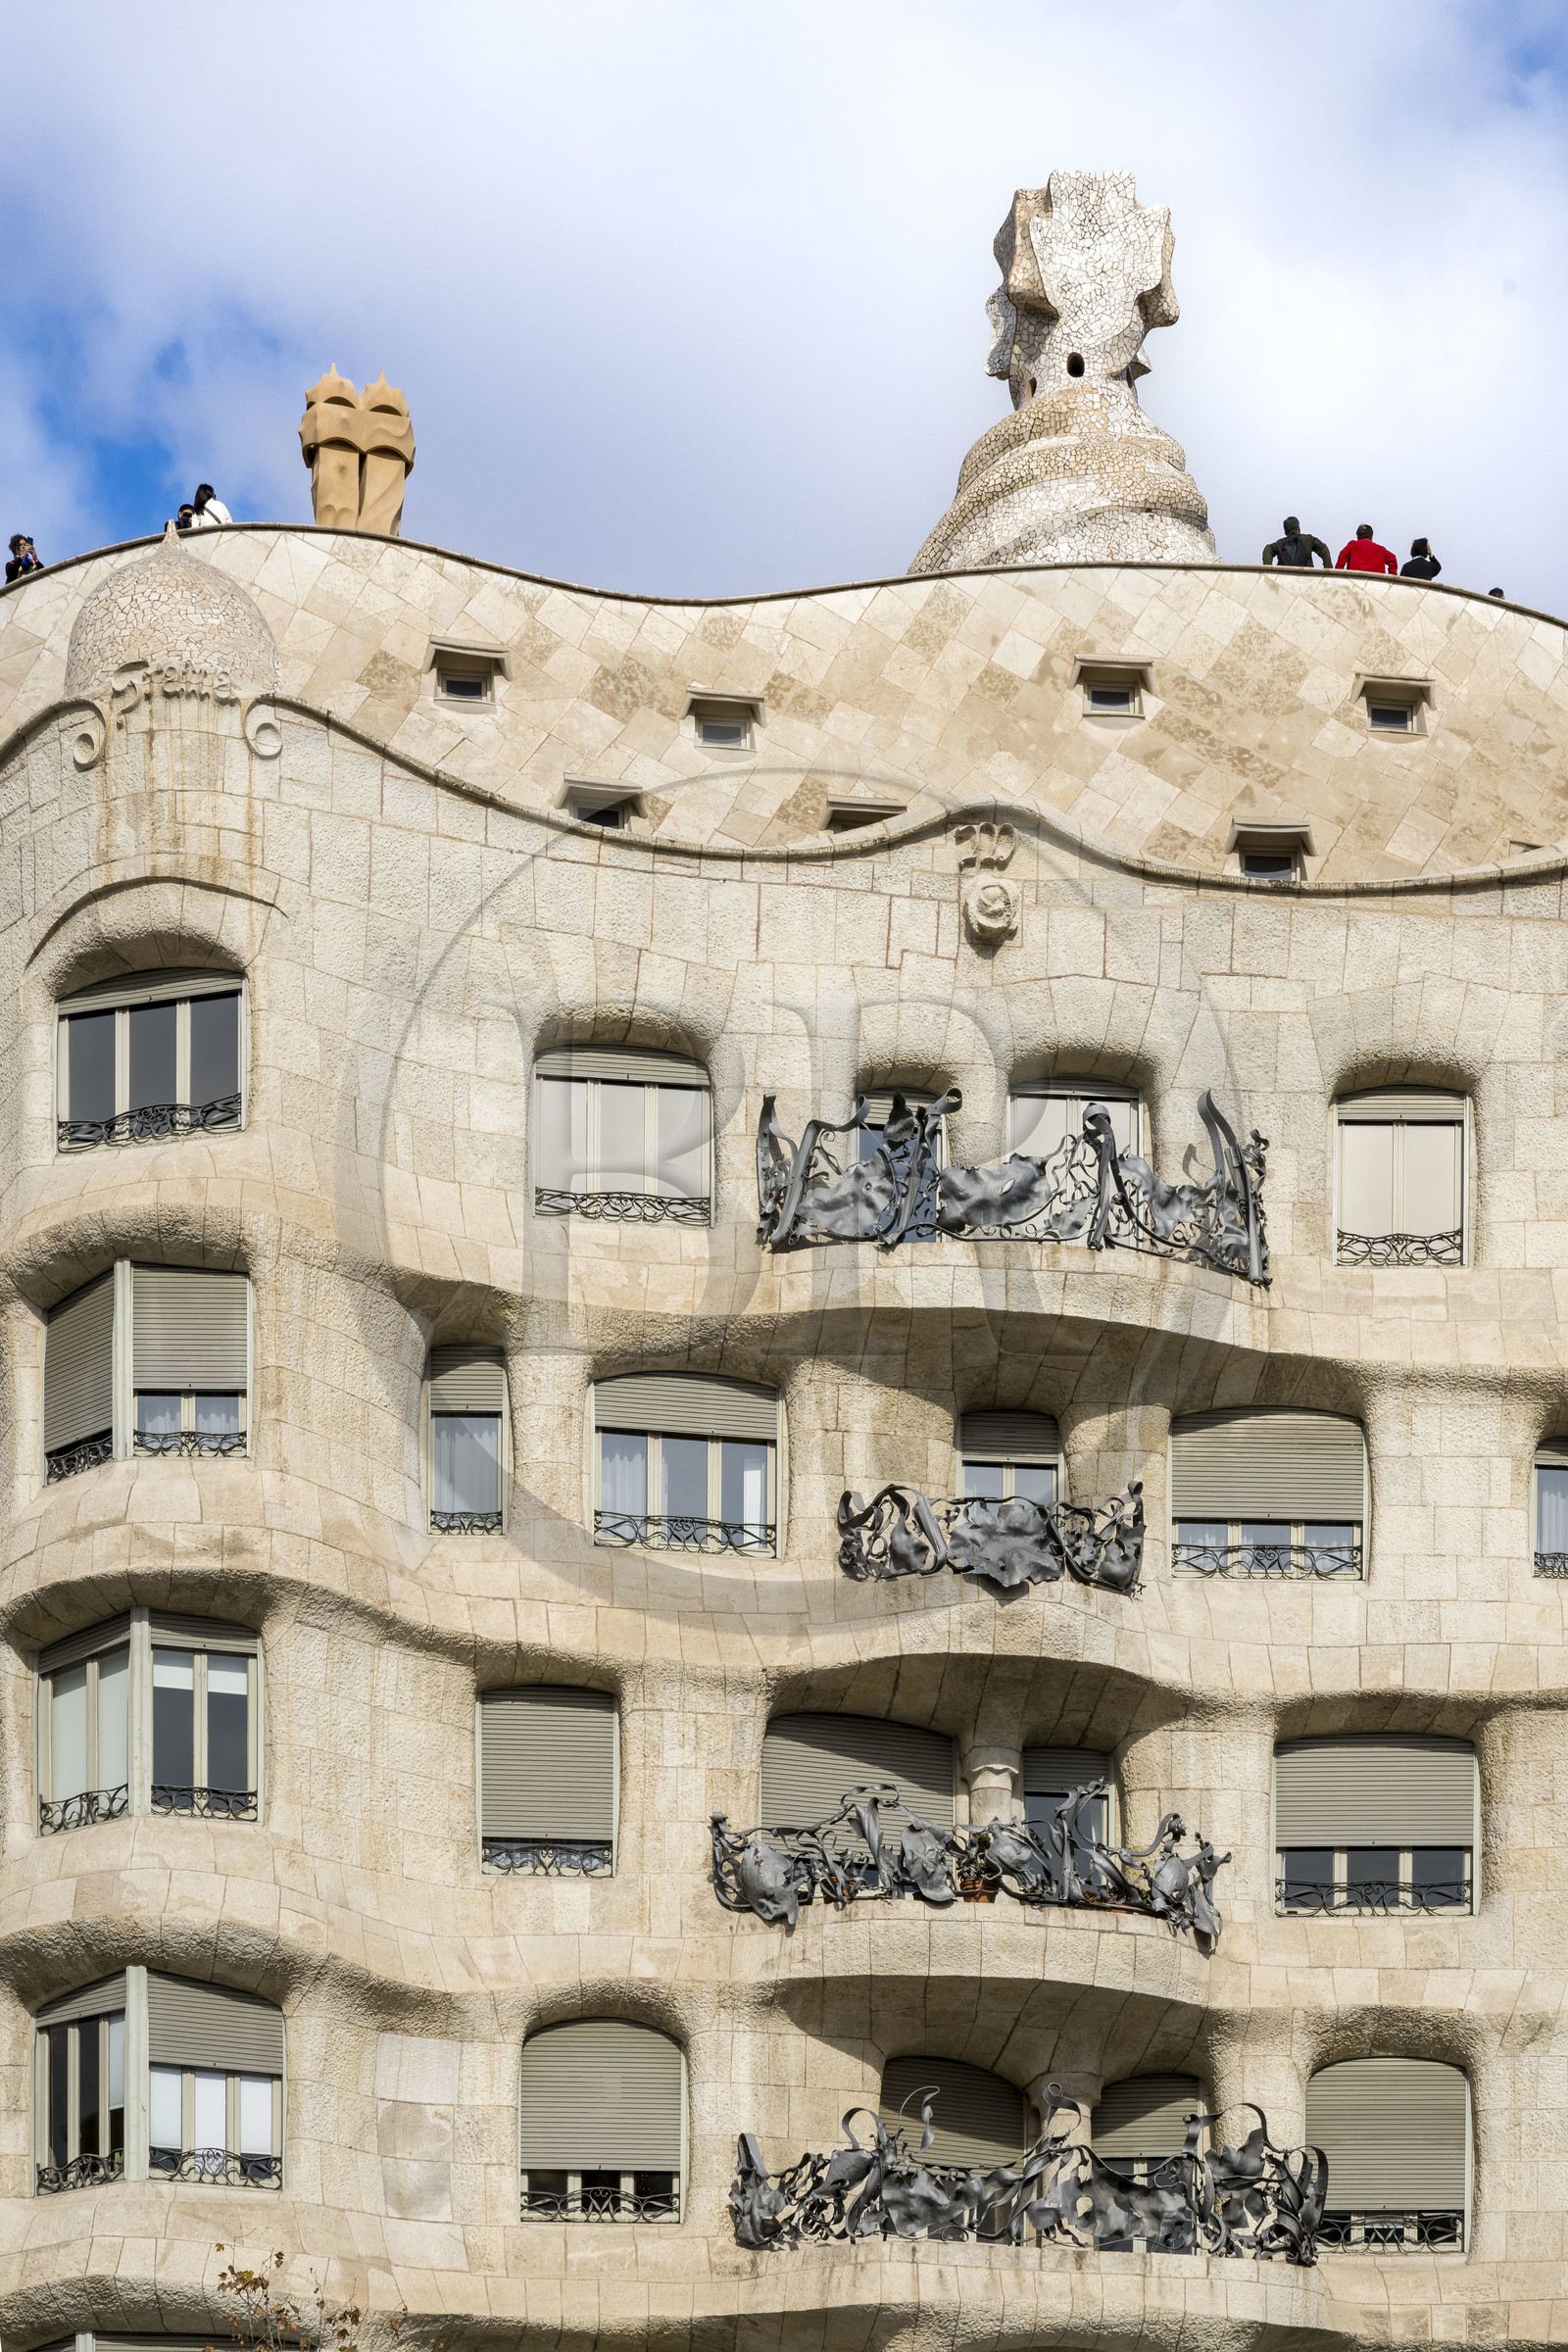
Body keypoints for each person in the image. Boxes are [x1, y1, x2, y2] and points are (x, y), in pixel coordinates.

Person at [1261, 516, 1331, 568]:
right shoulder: (1308, 539)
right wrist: (1328, 569)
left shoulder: (1280, 543)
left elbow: (1268, 549)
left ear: (1285, 532)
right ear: (1298, 528)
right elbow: (1323, 549)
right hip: (1306, 578)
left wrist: (1268, 570)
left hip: (1284, 578)